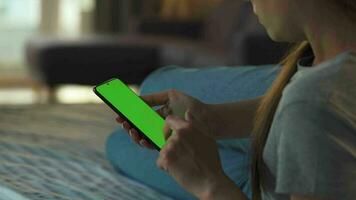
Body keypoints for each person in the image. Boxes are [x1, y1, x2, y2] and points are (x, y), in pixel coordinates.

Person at [116, 0, 356, 199]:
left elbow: (314, 111)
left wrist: (209, 183)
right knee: (151, 106)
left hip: (256, 183)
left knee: (122, 144)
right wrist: (211, 119)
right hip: (286, 137)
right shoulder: (318, 92)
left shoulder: (314, 101)